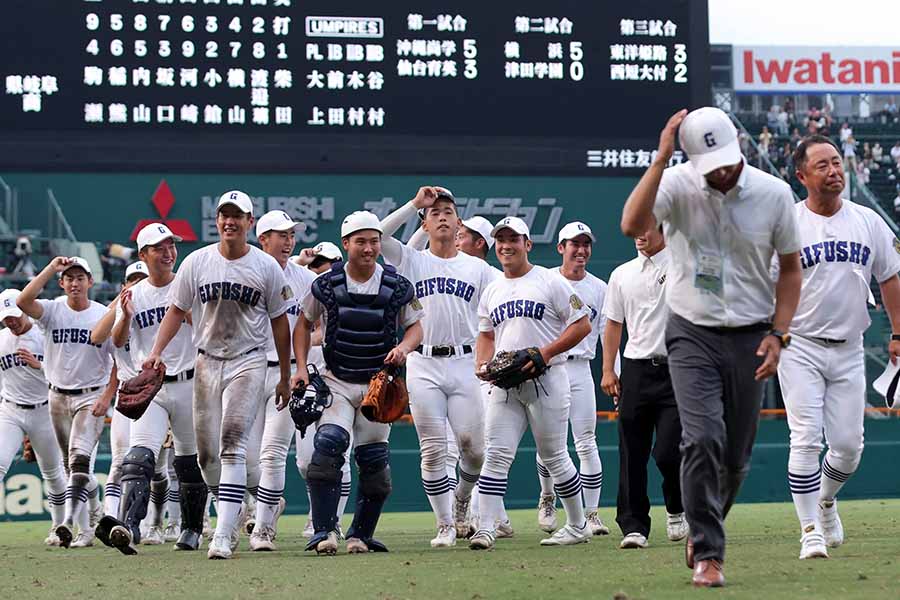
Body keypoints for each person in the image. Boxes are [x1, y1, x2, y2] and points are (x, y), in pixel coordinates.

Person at [620, 107, 802, 587]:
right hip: (690, 331)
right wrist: (660, 160)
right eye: (709, 163)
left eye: (725, 158)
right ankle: (708, 551)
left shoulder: (774, 194)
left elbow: (789, 269)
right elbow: (630, 223)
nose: (720, 171)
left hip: (751, 332)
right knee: (701, 438)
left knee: (736, 457)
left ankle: (705, 522)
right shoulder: (677, 183)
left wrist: (778, 334)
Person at [143, 191, 293, 560]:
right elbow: (176, 311)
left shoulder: (265, 266)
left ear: (249, 222)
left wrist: (287, 375)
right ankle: (254, 498)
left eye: (237, 216)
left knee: (232, 444)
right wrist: (156, 352)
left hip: (248, 360)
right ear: (217, 221)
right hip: (206, 361)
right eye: (224, 215)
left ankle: (224, 534)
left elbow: (280, 324)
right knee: (206, 458)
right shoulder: (197, 262)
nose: (230, 221)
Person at [779, 135, 900, 559]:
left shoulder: (867, 221)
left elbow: (890, 277)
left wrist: (898, 333)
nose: (834, 171)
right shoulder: (788, 223)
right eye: (823, 165)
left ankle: (826, 502)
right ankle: (809, 529)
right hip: (799, 345)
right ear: (801, 176)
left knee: (849, 447)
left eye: (837, 163)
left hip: (850, 347)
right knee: (806, 438)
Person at [292, 210, 424, 555]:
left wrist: (404, 348)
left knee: (375, 466)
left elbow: (416, 327)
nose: (369, 248)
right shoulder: (324, 285)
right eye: (361, 241)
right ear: (346, 243)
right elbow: (303, 325)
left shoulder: (397, 286)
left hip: (377, 385)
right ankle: (324, 532)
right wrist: (302, 368)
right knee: (327, 448)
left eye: (374, 241)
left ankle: (360, 535)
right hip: (336, 380)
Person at [378, 187, 493, 548]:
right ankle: (444, 524)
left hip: (464, 362)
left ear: (459, 224)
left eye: (448, 212)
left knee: (474, 450)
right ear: (425, 224)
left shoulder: (479, 268)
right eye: (435, 213)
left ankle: (462, 500)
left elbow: (494, 319)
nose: (442, 216)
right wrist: (414, 203)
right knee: (432, 449)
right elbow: (377, 236)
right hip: (423, 362)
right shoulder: (411, 260)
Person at [469, 216, 592, 550]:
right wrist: (483, 363)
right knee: (496, 454)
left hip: (547, 378)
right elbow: (485, 334)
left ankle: (578, 524)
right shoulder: (492, 289)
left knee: (554, 455)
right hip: (506, 384)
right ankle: (487, 527)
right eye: (501, 239)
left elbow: (582, 326)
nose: (506, 245)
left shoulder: (550, 282)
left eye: (514, 239)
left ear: (527, 244)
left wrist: (546, 352)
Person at [97, 224, 208, 554]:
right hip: (152, 388)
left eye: (171, 245)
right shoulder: (135, 294)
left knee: (189, 462)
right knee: (139, 457)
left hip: (189, 383)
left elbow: (207, 331)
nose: (168, 252)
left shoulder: (187, 287)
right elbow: (110, 340)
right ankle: (129, 526)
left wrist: (189, 315)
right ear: (143, 255)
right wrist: (124, 314)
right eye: (159, 247)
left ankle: (191, 529)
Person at [17, 256, 114, 548]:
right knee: (72, 470)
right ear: (62, 282)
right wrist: (49, 268)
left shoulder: (102, 314)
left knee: (79, 462)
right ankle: (94, 509)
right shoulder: (52, 310)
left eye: (80, 277)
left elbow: (118, 361)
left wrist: (107, 398)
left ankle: (74, 527)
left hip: (91, 396)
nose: (75, 283)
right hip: (57, 396)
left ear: (90, 282)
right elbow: (23, 301)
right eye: (69, 278)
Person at [600, 226, 686, 550]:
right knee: (631, 452)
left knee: (669, 450)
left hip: (677, 369)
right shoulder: (621, 274)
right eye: (636, 229)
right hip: (635, 370)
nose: (640, 234)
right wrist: (609, 369)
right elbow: (613, 324)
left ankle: (677, 505)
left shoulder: (682, 264)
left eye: (647, 227)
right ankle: (634, 527)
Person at [246, 210, 317, 552]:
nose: (289, 241)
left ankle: (262, 529)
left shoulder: (304, 278)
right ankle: (267, 505)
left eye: (291, 235)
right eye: (281, 234)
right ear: (263, 239)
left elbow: (315, 325)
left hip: (285, 372)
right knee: (245, 460)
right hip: (248, 369)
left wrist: (302, 365)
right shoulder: (247, 271)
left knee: (273, 452)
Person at [534, 221, 611, 537]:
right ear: (560, 248)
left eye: (585, 244)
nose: (580, 250)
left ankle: (591, 513)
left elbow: (608, 333)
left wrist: (612, 371)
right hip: (552, 367)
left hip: (581, 368)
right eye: (573, 244)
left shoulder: (599, 288)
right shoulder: (546, 280)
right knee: (548, 442)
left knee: (586, 440)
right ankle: (548, 497)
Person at [292, 240, 354, 538]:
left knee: (337, 451)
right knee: (305, 461)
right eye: (315, 265)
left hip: (337, 378)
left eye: (324, 263)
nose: (319, 269)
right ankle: (318, 509)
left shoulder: (344, 294)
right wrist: (301, 261)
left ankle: (333, 519)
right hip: (308, 382)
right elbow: (279, 273)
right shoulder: (307, 291)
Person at [0, 288, 67, 545]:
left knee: (52, 473)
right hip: (11, 409)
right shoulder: (2, 339)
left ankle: (59, 527)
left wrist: (38, 365)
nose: (12, 321)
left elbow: (63, 374)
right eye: (7, 318)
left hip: (44, 410)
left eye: (15, 315)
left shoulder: (44, 334)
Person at [88, 261, 149, 525]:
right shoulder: (119, 312)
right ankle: (112, 519)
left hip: (157, 390)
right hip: (127, 392)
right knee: (119, 462)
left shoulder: (157, 309)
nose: (136, 285)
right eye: (131, 281)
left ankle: (157, 523)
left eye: (141, 280)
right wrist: (118, 304)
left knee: (160, 467)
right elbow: (96, 336)